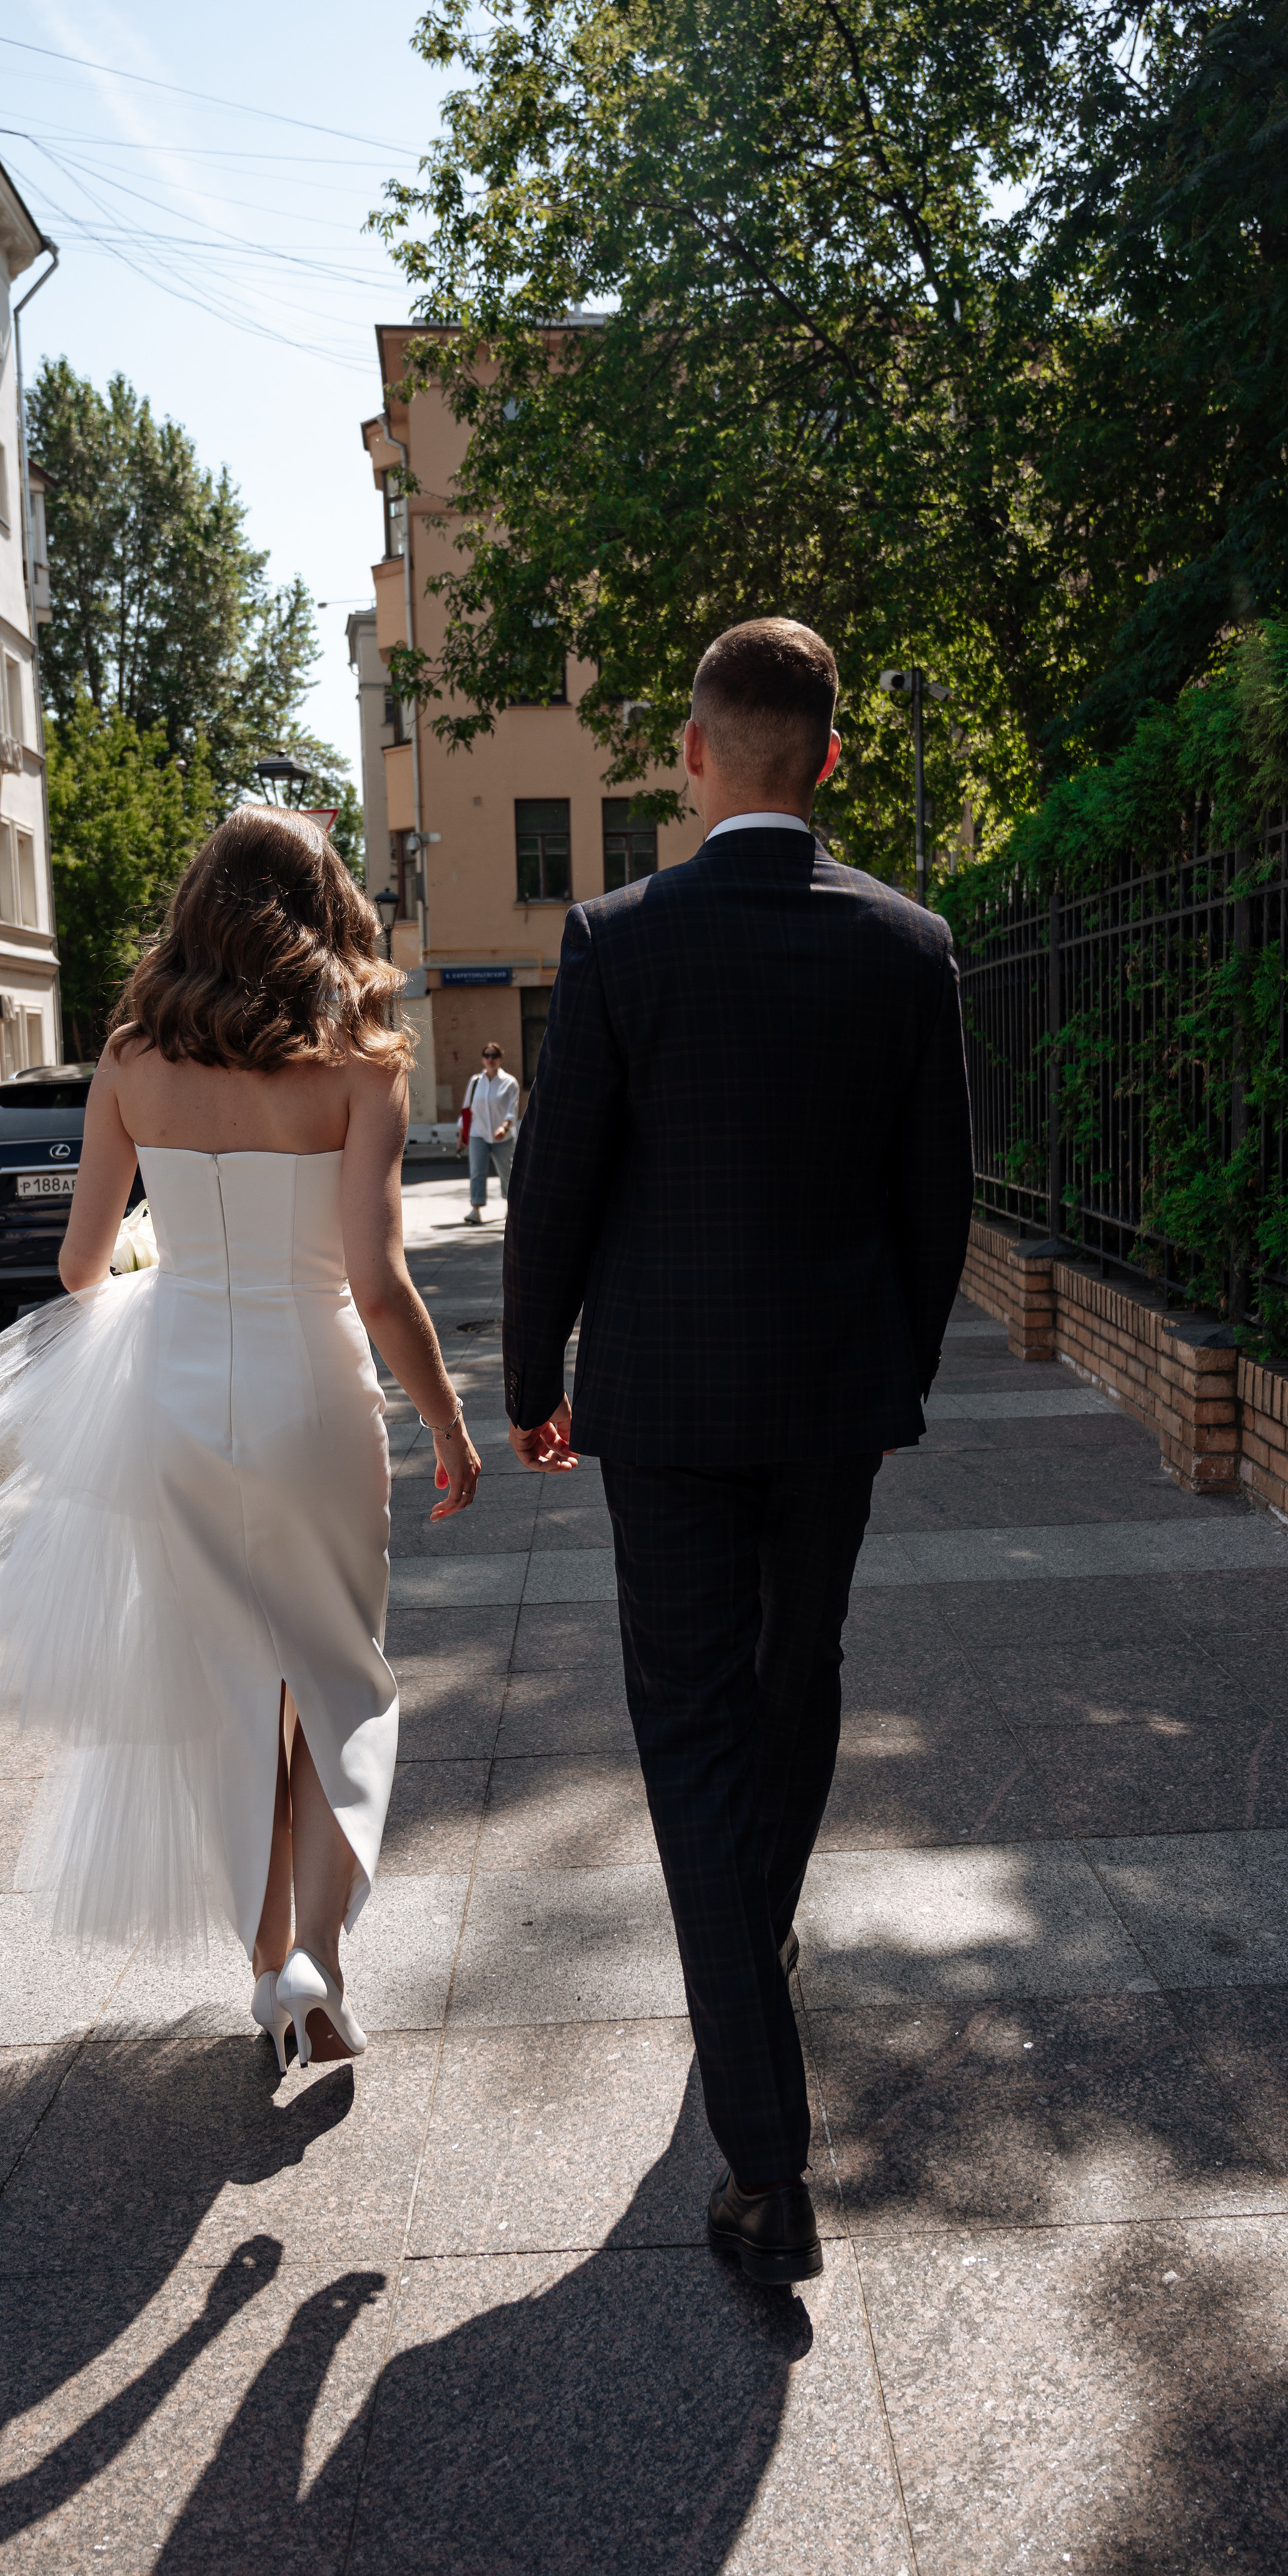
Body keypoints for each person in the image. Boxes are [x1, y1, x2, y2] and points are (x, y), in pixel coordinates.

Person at [500, 618, 973, 2285]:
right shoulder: (906, 946)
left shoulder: (618, 938)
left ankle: (764, 2163)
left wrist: (524, 1374)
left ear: (693, 758)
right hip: (830, 1400)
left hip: (666, 1407)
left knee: (692, 1723)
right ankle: (752, 1933)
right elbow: (938, 1210)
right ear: (829, 759)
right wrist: (889, 1377)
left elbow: (553, 1184)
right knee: (795, 1677)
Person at [0, 808, 480, 2075]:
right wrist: (446, 1420)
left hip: (174, 1394)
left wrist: (175, 1276)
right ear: (324, 904)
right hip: (314, 1394)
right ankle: (322, 1962)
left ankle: (268, 1965)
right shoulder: (363, 1063)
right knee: (345, 1679)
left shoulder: (128, 1057)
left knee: (233, 1695)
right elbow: (381, 1285)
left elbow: (76, 1265)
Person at [458, 1040, 520, 1224]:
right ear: (482, 1059)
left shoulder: (509, 1083)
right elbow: (467, 1109)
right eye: (487, 1055)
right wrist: (461, 1135)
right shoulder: (475, 1081)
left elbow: (513, 1109)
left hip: (504, 1136)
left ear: (501, 1058)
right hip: (478, 1133)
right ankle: (475, 1210)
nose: (490, 1059)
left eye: (494, 1055)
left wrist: (504, 1127)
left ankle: (513, 1208)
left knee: (507, 1173)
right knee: (477, 1171)